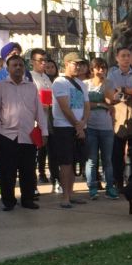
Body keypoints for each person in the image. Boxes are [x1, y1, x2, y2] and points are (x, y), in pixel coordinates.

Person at [0, 54, 47, 211]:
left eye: (21, 65)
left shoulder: (31, 87)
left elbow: (39, 111)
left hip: (27, 135)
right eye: (14, 65)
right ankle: (8, 201)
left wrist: (44, 130)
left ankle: (27, 199)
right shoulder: (0, 86)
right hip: (7, 135)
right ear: (7, 68)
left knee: (28, 170)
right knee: (8, 171)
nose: (18, 68)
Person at [52, 52, 90, 208]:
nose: (78, 67)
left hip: (80, 127)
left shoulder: (82, 84)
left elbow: (87, 106)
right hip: (64, 127)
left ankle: (72, 192)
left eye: (80, 64)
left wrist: (82, 123)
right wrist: (76, 124)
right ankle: (65, 196)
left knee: (75, 161)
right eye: (75, 64)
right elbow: (64, 106)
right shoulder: (59, 82)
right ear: (66, 64)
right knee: (66, 162)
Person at [108, 46, 132, 191]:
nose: (126, 58)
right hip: (119, 115)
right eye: (123, 56)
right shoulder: (112, 74)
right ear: (117, 58)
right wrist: (129, 91)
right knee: (117, 152)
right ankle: (118, 181)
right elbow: (113, 92)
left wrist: (124, 90)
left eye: (128, 55)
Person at [85, 57, 118, 200]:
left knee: (107, 159)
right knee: (91, 159)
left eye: (104, 68)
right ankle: (92, 187)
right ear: (92, 70)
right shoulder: (85, 85)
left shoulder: (109, 83)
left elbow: (111, 102)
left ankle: (110, 187)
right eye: (98, 67)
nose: (101, 70)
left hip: (106, 128)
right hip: (90, 126)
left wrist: (105, 86)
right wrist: (100, 105)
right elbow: (85, 104)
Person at [30, 49, 53, 185]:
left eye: (45, 60)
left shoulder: (46, 77)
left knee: (45, 147)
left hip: (48, 116)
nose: (43, 63)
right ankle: (36, 176)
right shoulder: (30, 76)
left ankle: (44, 172)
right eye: (40, 60)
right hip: (35, 118)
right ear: (33, 62)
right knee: (36, 148)